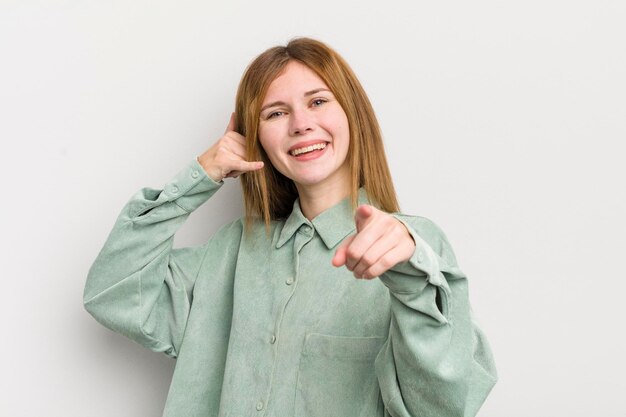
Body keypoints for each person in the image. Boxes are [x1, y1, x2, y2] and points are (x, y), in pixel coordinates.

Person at [84, 37, 497, 417]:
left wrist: (412, 279)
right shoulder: (230, 251)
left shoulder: (409, 248)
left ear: (351, 114)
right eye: (276, 113)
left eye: (317, 102)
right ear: (255, 137)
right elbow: (115, 293)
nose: (300, 124)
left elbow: (446, 404)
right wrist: (199, 176)